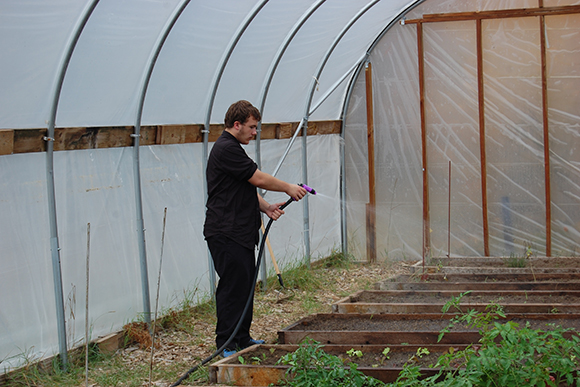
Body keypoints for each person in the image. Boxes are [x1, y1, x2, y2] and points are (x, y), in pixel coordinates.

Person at [203, 100, 307, 357]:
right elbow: (258, 178)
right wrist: (287, 187)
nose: (254, 132)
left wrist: (265, 207)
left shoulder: (233, 148)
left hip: (239, 232)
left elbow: (243, 185)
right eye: (251, 127)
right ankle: (226, 344)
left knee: (244, 285)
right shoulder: (226, 148)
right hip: (226, 232)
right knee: (232, 287)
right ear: (236, 125)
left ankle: (241, 338)